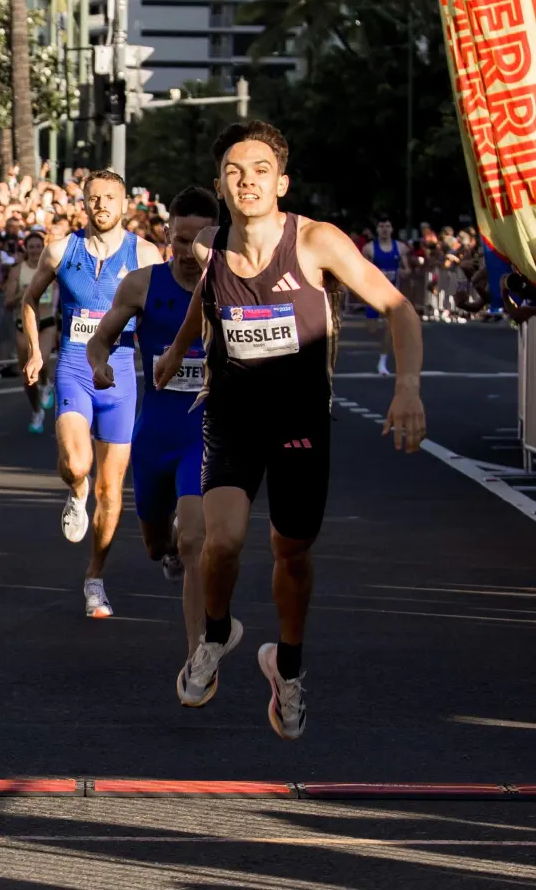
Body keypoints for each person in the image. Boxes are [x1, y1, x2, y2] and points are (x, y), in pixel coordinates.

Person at [155, 121, 426, 738]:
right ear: (221, 186)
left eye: (258, 171)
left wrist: (406, 386)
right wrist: (178, 349)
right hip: (231, 417)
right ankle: (218, 636)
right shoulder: (208, 247)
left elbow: (398, 308)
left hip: (300, 421)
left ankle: (288, 666)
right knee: (220, 541)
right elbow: (208, 297)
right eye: (233, 171)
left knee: (291, 553)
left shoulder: (315, 242)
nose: (246, 181)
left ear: (281, 181)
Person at [86, 187, 217, 686]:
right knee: (157, 543)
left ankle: (197, 659)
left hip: (203, 433)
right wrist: (99, 365)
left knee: (196, 539)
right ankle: (166, 551)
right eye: (181, 241)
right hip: (155, 435)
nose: (188, 254)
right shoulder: (142, 284)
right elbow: (101, 339)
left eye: (199, 243)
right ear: (168, 235)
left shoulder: (229, 286)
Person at [22, 170, 164, 618]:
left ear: (125, 204)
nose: (101, 204)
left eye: (110, 198)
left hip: (121, 380)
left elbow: (163, 313)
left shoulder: (144, 254)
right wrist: (34, 352)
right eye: (93, 198)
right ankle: (73, 488)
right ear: (83, 203)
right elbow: (30, 300)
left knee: (111, 488)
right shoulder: (62, 250)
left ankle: (95, 579)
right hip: (74, 370)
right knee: (78, 464)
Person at [6, 231, 55, 433]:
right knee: (27, 375)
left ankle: (45, 383)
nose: (35, 250)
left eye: (38, 246)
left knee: (40, 359)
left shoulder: (51, 269)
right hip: (24, 325)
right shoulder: (18, 271)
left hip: (46, 322)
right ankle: (36, 411)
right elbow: (7, 303)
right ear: (26, 248)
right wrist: (23, 293)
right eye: (31, 246)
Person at [361, 216, 409, 375]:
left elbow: (407, 269)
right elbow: (361, 270)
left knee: (389, 329)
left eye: (387, 226)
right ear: (377, 229)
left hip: (391, 296)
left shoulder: (400, 247)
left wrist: (403, 272)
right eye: (381, 226)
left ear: (392, 229)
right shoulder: (369, 248)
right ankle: (380, 351)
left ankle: (382, 362)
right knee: (372, 331)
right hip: (373, 295)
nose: (384, 229)